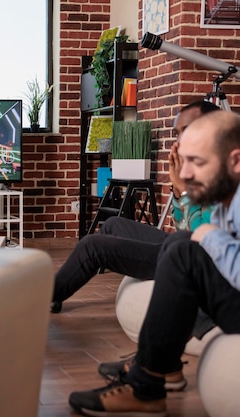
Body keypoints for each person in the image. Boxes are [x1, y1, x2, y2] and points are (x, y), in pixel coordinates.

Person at [68, 110, 240, 416]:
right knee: (165, 240)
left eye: (197, 161)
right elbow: (191, 233)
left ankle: (147, 382)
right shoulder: (226, 196)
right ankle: (155, 374)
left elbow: (212, 251)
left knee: (180, 251)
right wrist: (184, 196)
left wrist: (209, 235)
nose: (184, 172)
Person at [51, 100, 220, 313]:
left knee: (92, 246)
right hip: (181, 245)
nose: (178, 143)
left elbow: (202, 245)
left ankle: (46, 296)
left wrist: (184, 192)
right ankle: (70, 284)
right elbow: (184, 230)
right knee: (113, 224)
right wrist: (178, 192)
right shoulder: (201, 169)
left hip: (196, 260)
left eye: (185, 133)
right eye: (177, 134)